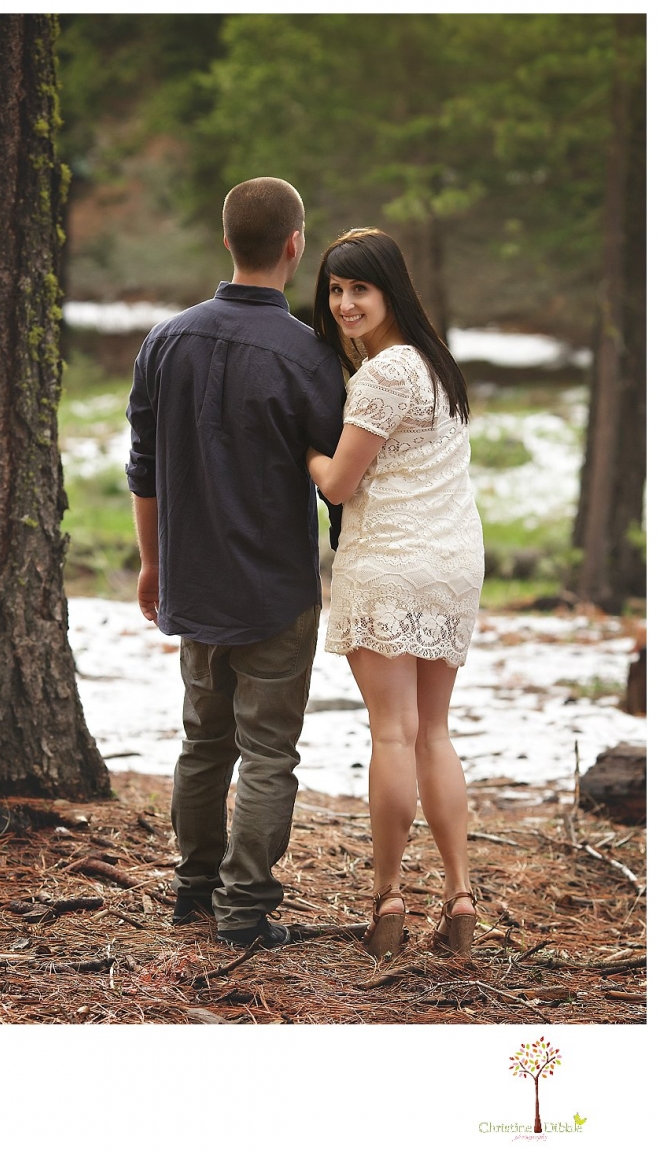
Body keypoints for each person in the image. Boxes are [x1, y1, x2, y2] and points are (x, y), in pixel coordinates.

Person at [126, 177, 346, 950]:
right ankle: (244, 908)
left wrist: (152, 565)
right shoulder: (312, 355)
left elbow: (144, 468)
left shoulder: (165, 341)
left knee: (204, 742)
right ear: (295, 244)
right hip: (277, 589)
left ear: (226, 240)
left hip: (194, 580)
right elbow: (340, 482)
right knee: (268, 752)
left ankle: (193, 890)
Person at [307, 227, 484, 960]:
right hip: (452, 562)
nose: (345, 304)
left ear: (391, 291)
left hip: (389, 562)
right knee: (433, 732)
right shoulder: (437, 363)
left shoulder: (384, 374)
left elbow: (338, 484)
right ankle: (461, 894)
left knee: (391, 734)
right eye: (335, 289)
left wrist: (304, 447)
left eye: (360, 289)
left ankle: (387, 895)